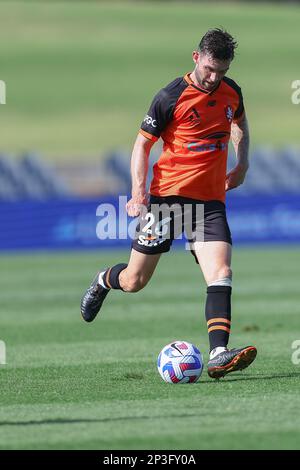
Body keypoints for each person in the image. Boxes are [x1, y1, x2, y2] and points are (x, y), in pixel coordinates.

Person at [81, 28, 257, 379]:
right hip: (167, 200)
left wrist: (243, 163)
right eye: (209, 69)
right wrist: (138, 192)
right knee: (134, 280)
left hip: (209, 203)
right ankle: (103, 280)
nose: (214, 77)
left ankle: (219, 353)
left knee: (221, 273)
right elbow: (142, 145)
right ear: (196, 57)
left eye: (221, 71)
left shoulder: (231, 91)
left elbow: (238, 123)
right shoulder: (169, 96)